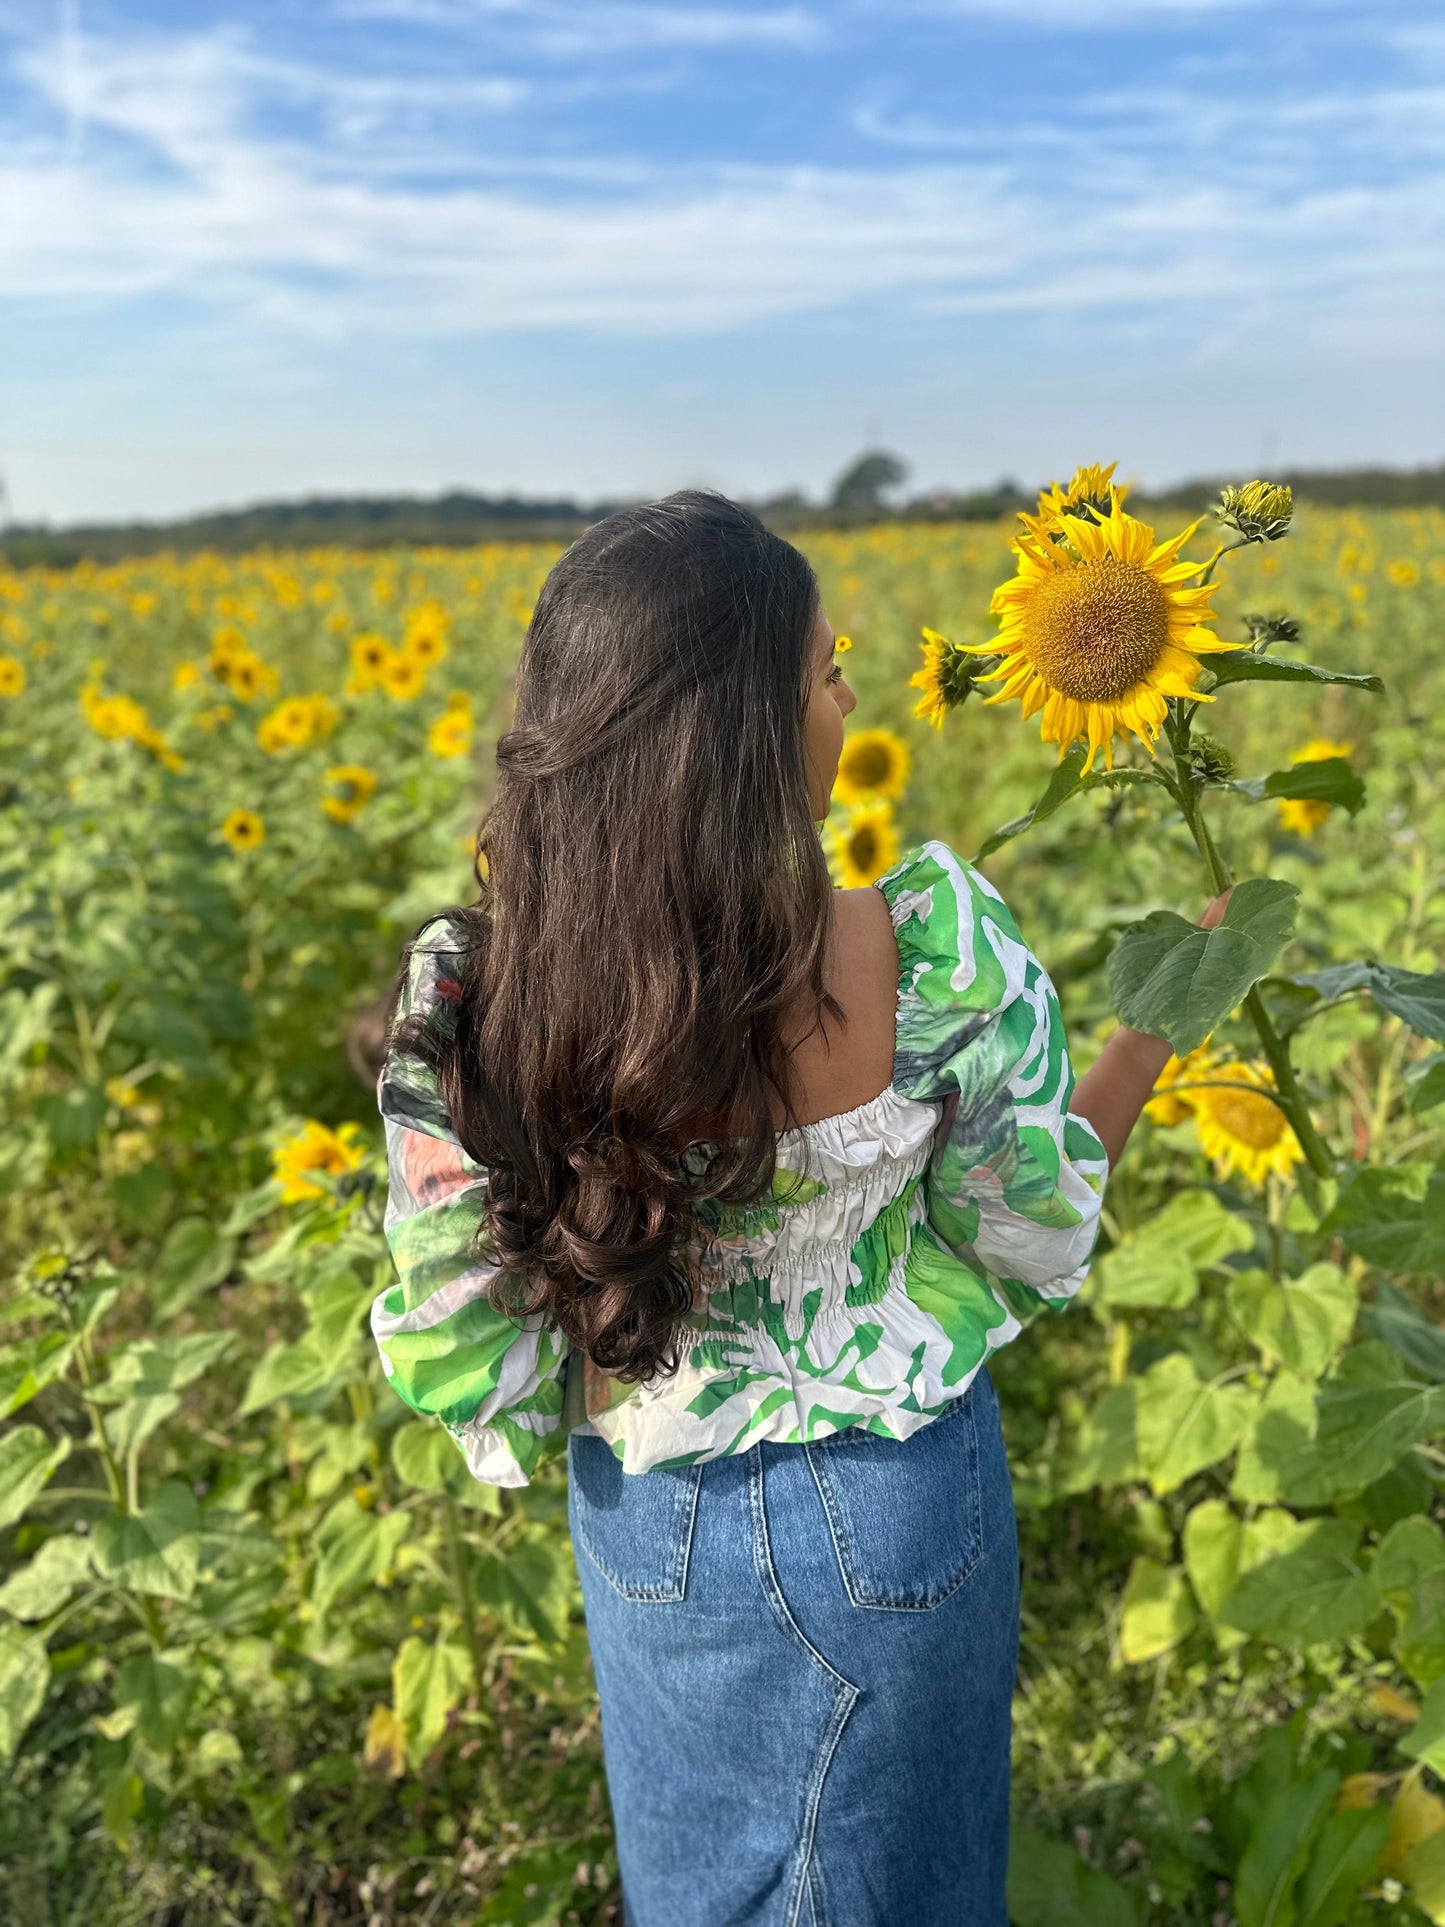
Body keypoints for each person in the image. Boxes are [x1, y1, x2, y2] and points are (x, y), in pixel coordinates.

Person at [368, 490, 1230, 1927]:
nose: (848, 700)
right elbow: (1033, 1227)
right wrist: (1155, 1020)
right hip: (894, 1509)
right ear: (745, 736)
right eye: (826, 672)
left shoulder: (484, 1001)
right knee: (906, 1888)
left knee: (701, 1887)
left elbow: (469, 1355)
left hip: (643, 1522)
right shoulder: (918, 951)